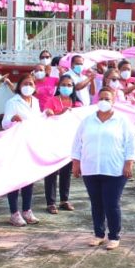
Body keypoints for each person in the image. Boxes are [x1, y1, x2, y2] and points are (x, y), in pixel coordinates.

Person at [71, 88, 135, 250]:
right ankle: (98, 234)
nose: (104, 101)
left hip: (114, 169)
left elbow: (131, 142)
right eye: (101, 98)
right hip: (91, 168)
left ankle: (114, 236)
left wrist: (129, 162)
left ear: (113, 101)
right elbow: (77, 143)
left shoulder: (122, 120)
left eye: (107, 99)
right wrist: (76, 162)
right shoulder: (87, 121)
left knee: (111, 203)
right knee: (96, 203)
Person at [2, 74, 51, 226]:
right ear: (19, 86)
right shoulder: (12, 102)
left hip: (31, 144)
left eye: (31, 83)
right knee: (15, 179)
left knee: (29, 179)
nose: (28, 86)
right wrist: (12, 119)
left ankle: (27, 210)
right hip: (16, 144)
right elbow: (4, 123)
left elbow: (36, 121)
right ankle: (14, 213)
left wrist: (46, 114)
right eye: (25, 83)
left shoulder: (35, 102)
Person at [42, 74, 80, 214]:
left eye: (70, 85)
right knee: (51, 172)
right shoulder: (52, 100)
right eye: (64, 85)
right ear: (59, 87)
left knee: (66, 172)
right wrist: (55, 113)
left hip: (69, 141)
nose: (66, 87)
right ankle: (50, 202)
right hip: (53, 140)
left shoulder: (76, 102)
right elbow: (46, 113)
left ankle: (64, 200)